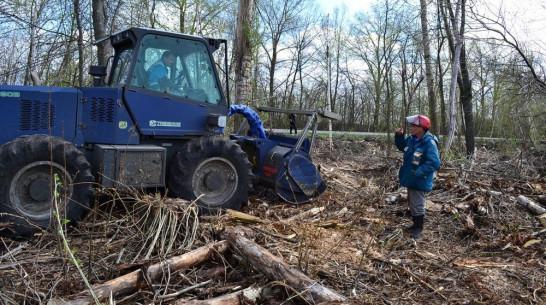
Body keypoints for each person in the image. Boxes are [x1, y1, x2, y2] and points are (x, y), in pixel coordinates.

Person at [395, 114, 441, 239]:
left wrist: (419, 172)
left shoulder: (429, 142)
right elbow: (402, 147)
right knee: (412, 202)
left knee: (417, 204)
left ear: (422, 128)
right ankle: (415, 225)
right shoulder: (412, 139)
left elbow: (434, 163)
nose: (411, 127)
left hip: (420, 180)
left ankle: (418, 229)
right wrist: (399, 136)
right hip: (411, 178)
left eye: (414, 125)